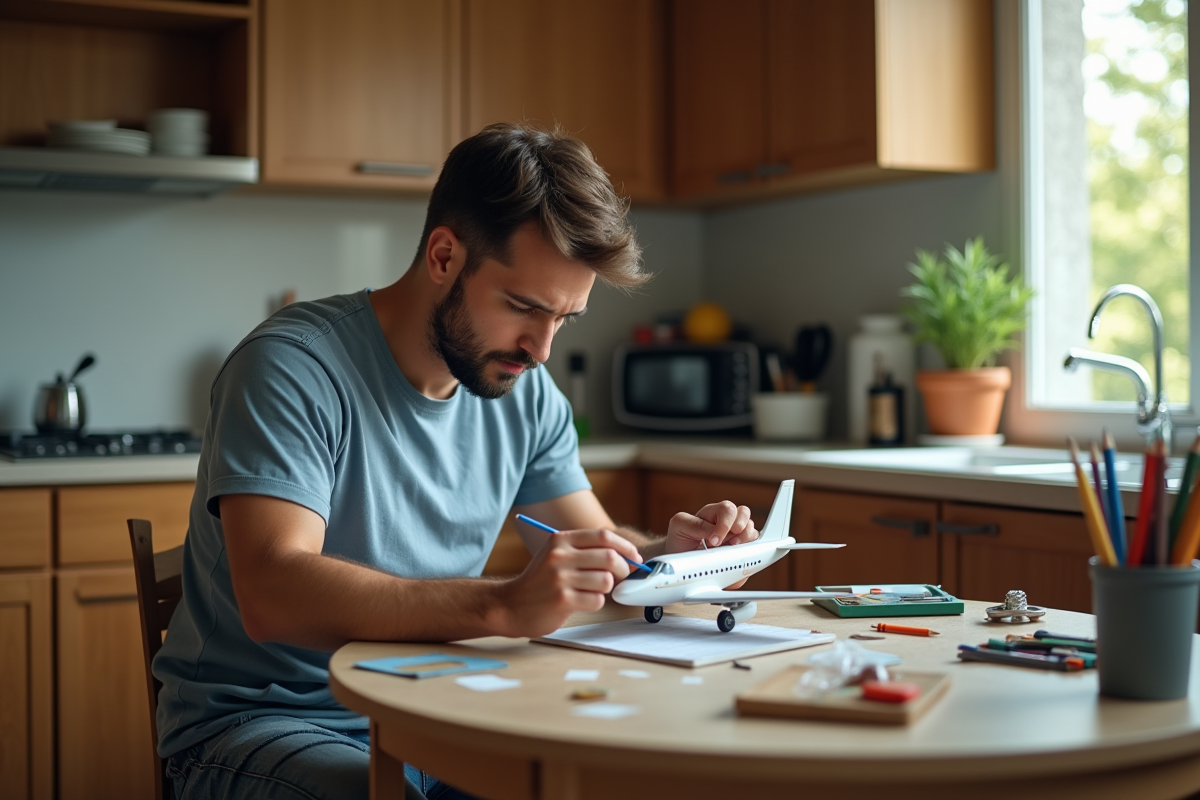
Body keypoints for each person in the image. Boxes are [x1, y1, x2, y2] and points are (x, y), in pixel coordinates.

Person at [154, 122, 761, 800]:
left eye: (566, 319)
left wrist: (670, 557)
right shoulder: (292, 368)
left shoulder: (524, 394)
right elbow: (272, 593)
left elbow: (600, 553)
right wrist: (502, 605)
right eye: (523, 307)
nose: (541, 348)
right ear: (443, 256)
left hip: (438, 708)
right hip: (267, 724)